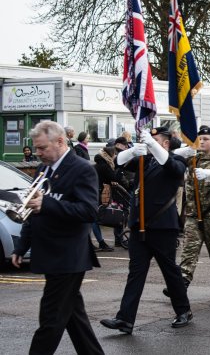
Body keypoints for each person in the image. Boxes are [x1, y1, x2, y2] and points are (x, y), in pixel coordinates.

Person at [12, 121, 104, 355]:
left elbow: (88, 211)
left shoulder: (82, 168)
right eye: (36, 148)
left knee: (50, 322)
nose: (37, 153)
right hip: (50, 253)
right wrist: (22, 246)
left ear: (60, 142)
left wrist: (49, 204)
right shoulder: (45, 169)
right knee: (75, 321)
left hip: (68, 256)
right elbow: (33, 210)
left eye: (42, 148)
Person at [101, 127, 192, 334]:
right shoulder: (145, 160)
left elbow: (171, 167)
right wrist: (134, 151)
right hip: (138, 227)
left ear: (166, 143)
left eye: (155, 139)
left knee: (170, 271)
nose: (150, 143)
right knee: (136, 273)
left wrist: (150, 143)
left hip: (162, 227)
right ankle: (125, 319)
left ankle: (183, 310)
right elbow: (118, 162)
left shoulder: (177, 161)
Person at [167, 126, 210, 299]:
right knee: (189, 249)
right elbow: (173, 157)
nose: (202, 142)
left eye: (206, 139)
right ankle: (181, 285)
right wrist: (188, 149)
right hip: (194, 214)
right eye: (200, 139)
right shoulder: (193, 158)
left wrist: (208, 174)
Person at [92, 146, 120, 252]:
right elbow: (113, 177)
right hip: (94, 192)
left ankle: (94, 242)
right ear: (110, 155)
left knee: (92, 219)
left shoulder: (100, 163)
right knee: (93, 219)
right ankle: (101, 243)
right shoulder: (104, 165)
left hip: (94, 191)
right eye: (114, 155)